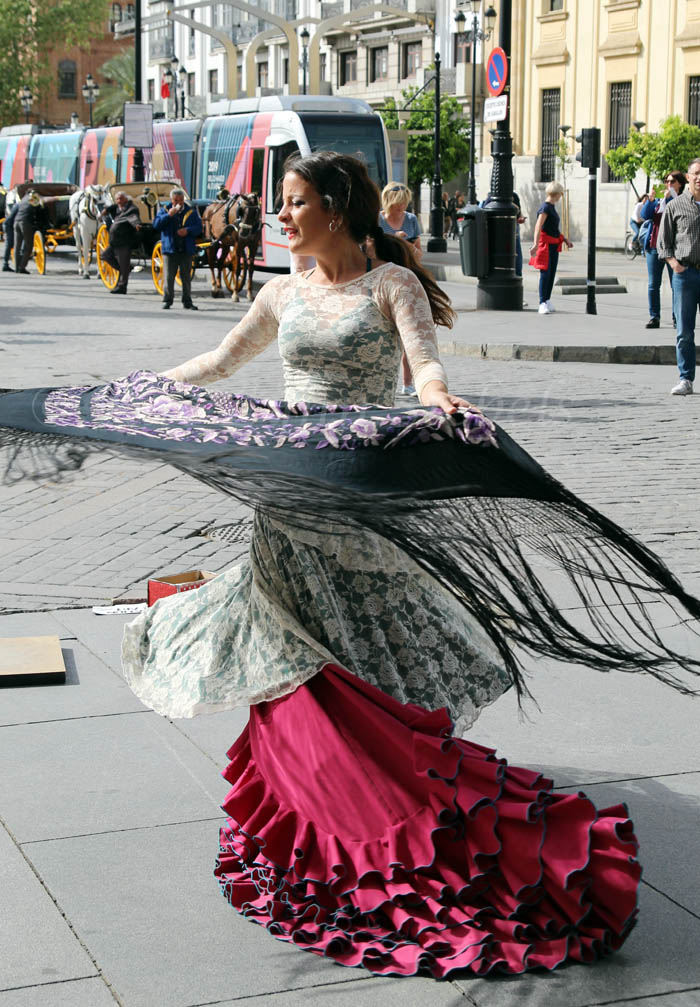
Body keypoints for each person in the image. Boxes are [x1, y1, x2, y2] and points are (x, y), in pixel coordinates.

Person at [6, 150, 700, 979]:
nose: (283, 217)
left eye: (295, 203)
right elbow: (220, 363)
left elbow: (423, 363)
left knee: (352, 659)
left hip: (356, 494)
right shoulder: (280, 290)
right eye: (281, 204)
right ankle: (319, 826)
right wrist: (141, 390)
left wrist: (438, 395)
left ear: (336, 207)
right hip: (288, 497)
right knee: (292, 667)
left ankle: (384, 822)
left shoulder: (390, 286)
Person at [657, 158, 700, 395]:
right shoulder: (675, 206)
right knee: (684, 330)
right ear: (688, 176)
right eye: (695, 173)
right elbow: (663, 243)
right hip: (685, 274)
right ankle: (686, 379)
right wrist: (674, 264)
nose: (699, 177)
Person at [378, 182, 422, 394]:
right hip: (382, 281)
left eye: (404, 205)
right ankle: (382, 381)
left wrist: (408, 246)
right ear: (388, 203)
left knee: (408, 333)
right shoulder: (377, 220)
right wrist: (393, 241)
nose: (401, 209)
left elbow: (418, 252)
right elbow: (369, 250)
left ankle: (408, 383)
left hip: (406, 278)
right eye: (397, 205)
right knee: (383, 334)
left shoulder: (411, 220)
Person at [641, 171, 685, 330]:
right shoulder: (658, 201)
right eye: (666, 181)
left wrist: (670, 197)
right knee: (653, 284)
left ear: (680, 184)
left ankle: (676, 317)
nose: (668, 184)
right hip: (654, 247)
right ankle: (654, 317)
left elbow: (680, 211)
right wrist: (651, 200)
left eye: (672, 182)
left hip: (674, 250)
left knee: (676, 285)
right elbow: (645, 215)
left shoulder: (681, 199)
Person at [153, 186, 203, 310]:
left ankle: (187, 301)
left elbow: (199, 228)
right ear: (171, 200)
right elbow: (156, 225)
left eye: (180, 200)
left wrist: (188, 230)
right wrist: (168, 216)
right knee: (169, 276)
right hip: (170, 249)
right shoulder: (165, 210)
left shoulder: (191, 211)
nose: (178, 203)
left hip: (186, 249)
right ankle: (168, 300)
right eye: (175, 200)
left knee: (186, 277)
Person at [529, 180, 573, 314]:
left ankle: (547, 299)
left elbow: (553, 228)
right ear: (557, 193)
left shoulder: (551, 207)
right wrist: (535, 244)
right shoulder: (545, 208)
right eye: (561, 194)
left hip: (553, 245)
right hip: (546, 246)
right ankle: (542, 302)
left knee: (551, 273)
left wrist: (564, 239)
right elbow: (538, 226)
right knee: (545, 274)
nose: (561, 196)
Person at [100, 191, 141, 294]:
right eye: (117, 199)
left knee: (123, 263)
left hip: (124, 241)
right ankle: (127, 269)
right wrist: (106, 210)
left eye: (121, 199)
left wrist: (136, 224)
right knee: (105, 255)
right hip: (114, 242)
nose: (119, 201)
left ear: (126, 199)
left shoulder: (131, 209)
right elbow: (111, 207)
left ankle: (122, 287)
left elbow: (133, 217)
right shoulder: (118, 207)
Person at [13, 191, 49, 274]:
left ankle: (16, 267)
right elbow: (38, 210)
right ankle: (22, 267)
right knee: (29, 246)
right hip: (25, 223)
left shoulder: (22, 200)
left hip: (16, 222)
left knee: (17, 246)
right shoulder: (32, 198)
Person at [2, 200, 19, 272]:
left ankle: (6, 264)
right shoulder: (19, 205)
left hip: (9, 224)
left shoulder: (18, 204)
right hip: (8, 225)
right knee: (9, 244)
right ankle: (5, 265)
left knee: (9, 244)